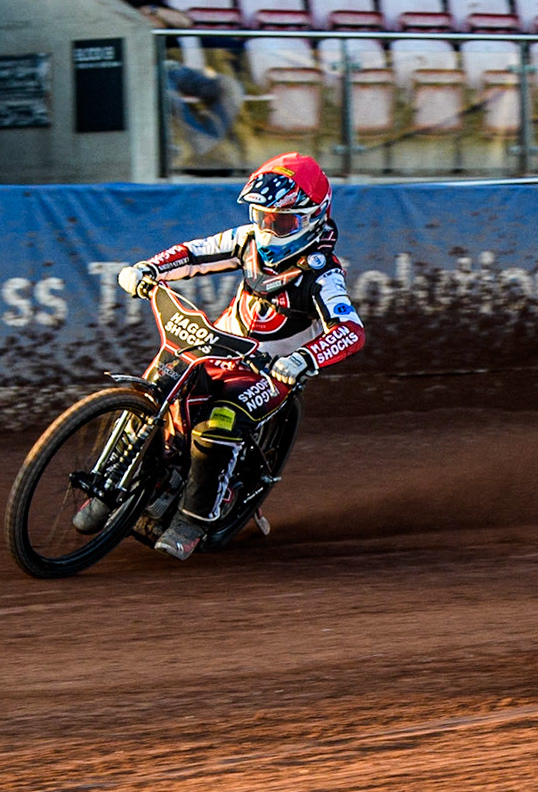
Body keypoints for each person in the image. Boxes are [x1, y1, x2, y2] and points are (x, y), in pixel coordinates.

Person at [106, 152, 366, 559]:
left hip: (271, 371)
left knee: (221, 420)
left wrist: (302, 359)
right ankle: (115, 477)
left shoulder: (323, 272)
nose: (267, 230)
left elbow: (350, 330)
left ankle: (192, 522)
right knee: (159, 382)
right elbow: (194, 253)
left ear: (315, 217)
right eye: (261, 217)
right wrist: (149, 269)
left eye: (282, 223)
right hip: (221, 344)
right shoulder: (247, 241)